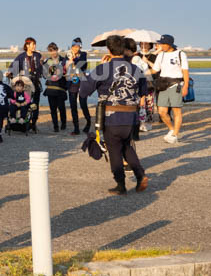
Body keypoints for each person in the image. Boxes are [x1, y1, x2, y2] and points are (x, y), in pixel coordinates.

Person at [81, 35, 149, 195]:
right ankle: (140, 175)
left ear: (109, 50)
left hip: (112, 116)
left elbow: (84, 92)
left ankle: (121, 184)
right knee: (127, 146)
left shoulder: (102, 69)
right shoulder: (136, 70)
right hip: (132, 117)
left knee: (114, 149)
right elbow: (144, 92)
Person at [149, 34, 190, 144]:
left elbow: (185, 71)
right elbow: (154, 70)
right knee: (162, 111)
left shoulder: (180, 54)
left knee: (177, 111)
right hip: (163, 85)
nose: (160, 45)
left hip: (176, 84)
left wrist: (185, 86)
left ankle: (175, 134)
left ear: (168, 44)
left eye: (162, 44)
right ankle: (171, 129)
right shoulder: (160, 55)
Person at [7, 38, 43, 132]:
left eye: (35, 44)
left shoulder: (38, 55)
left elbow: (42, 68)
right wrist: (9, 73)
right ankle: (21, 121)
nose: (34, 46)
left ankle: (34, 123)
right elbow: (13, 68)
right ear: (27, 45)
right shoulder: (21, 56)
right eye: (33, 44)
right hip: (25, 85)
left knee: (35, 104)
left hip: (36, 83)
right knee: (24, 102)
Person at [67, 38, 90, 135]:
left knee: (83, 103)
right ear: (71, 46)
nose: (75, 48)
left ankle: (88, 122)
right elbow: (65, 65)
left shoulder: (83, 54)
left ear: (80, 46)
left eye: (77, 46)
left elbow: (82, 64)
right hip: (72, 82)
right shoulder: (67, 55)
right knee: (73, 105)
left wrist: (73, 59)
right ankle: (76, 128)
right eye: (74, 46)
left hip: (81, 81)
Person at [43, 43, 68, 132]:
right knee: (53, 109)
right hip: (51, 88)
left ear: (57, 49)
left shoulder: (63, 60)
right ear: (49, 52)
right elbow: (45, 75)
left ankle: (63, 123)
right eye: (51, 51)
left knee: (61, 108)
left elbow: (67, 72)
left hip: (61, 87)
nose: (53, 52)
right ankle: (55, 126)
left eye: (54, 50)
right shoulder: (47, 61)